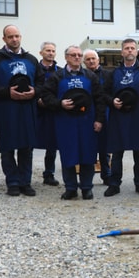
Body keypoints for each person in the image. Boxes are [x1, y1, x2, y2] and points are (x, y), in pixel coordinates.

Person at [0, 25, 42, 197]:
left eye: (17, 36)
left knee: (26, 147)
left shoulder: (31, 59)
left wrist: (35, 92)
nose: (14, 39)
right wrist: (7, 92)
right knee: (7, 148)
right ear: (4, 39)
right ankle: (13, 182)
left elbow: (41, 82)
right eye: (10, 37)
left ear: (20, 37)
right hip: (5, 109)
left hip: (27, 108)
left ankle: (25, 182)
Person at [40, 45, 105, 200]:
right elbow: (45, 95)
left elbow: (100, 99)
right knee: (68, 155)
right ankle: (70, 188)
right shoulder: (57, 76)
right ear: (66, 57)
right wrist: (59, 103)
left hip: (87, 122)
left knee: (87, 155)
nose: (77, 57)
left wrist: (99, 120)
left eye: (79, 55)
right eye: (73, 55)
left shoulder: (90, 76)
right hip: (65, 122)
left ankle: (86, 188)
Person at [104, 38, 139, 197]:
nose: (130, 51)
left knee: (138, 152)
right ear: (122, 52)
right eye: (127, 48)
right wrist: (111, 101)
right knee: (117, 152)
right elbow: (104, 93)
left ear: (137, 51)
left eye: (132, 48)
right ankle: (114, 183)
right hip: (118, 117)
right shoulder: (114, 73)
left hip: (138, 117)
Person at [83, 49, 113, 185]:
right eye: (88, 59)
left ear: (98, 60)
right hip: (87, 114)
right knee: (89, 146)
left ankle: (106, 175)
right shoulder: (82, 75)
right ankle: (87, 176)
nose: (91, 61)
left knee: (104, 146)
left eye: (93, 58)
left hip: (105, 113)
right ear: (84, 62)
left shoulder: (108, 75)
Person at [34, 41, 60, 186]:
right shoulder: (34, 69)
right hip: (36, 110)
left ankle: (49, 174)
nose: (50, 53)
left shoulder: (60, 71)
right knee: (30, 142)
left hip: (52, 111)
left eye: (52, 50)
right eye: (47, 50)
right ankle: (25, 175)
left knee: (52, 144)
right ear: (41, 53)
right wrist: (37, 99)